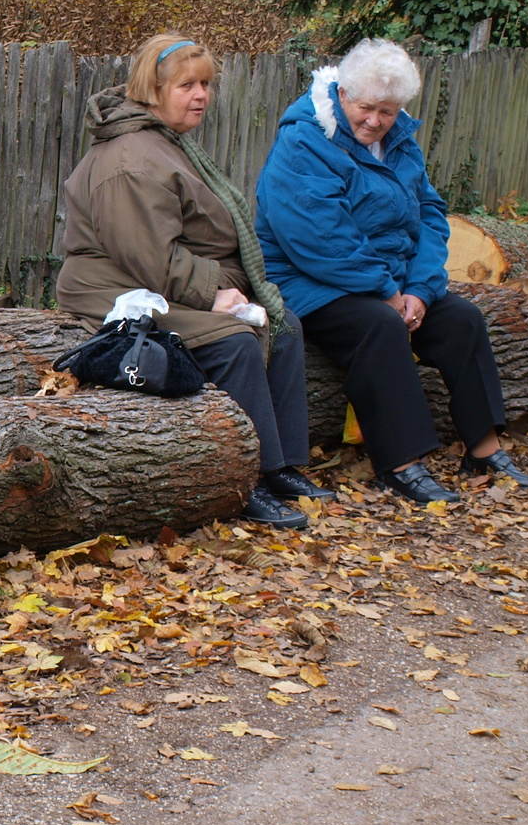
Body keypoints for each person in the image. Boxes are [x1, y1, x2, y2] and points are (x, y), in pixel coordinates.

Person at [55, 32, 331, 529]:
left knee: (284, 324)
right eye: (187, 85)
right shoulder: (130, 162)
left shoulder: (164, 142)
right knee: (234, 340)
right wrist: (214, 292)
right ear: (153, 89)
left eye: (205, 84)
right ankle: (244, 480)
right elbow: (151, 256)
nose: (201, 95)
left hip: (160, 275)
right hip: (114, 285)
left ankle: (281, 464)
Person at [255, 38, 528, 502]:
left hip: (389, 279)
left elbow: (430, 212)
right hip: (308, 281)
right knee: (380, 325)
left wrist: (421, 290)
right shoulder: (305, 140)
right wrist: (387, 292)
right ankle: (401, 463)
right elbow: (319, 238)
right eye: (366, 108)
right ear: (342, 94)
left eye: (387, 112)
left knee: (463, 321)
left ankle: (484, 448)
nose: (375, 121)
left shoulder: (400, 141)